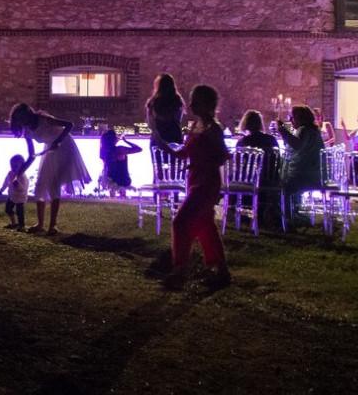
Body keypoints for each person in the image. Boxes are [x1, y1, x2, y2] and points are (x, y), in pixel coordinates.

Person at [159, 85, 232, 289]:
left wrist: (203, 161)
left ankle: (180, 270)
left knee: (181, 221)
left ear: (207, 104)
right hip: (194, 180)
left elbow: (223, 155)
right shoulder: (195, 126)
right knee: (205, 225)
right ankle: (222, 270)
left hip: (206, 182)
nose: (190, 104)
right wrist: (163, 145)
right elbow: (185, 152)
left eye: (195, 100)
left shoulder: (213, 129)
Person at [9, 103, 91, 235]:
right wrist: (18, 174)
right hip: (50, 150)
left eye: (22, 117)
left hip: (65, 147)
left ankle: (53, 225)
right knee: (40, 185)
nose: (21, 121)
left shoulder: (44, 119)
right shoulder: (28, 132)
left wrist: (57, 141)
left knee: (54, 185)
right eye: (19, 119)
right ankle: (40, 224)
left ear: (28, 114)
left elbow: (69, 125)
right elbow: (31, 156)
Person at [278, 105, 324, 227]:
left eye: (292, 117)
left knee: (282, 185)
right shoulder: (314, 131)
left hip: (305, 175)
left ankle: (286, 216)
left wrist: (283, 131)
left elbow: (296, 145)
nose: (291, 120)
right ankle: (294, 212)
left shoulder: (304, 130)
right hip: (314, 173)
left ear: (299, 118)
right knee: (287, 179)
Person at [237, 110, 282, 228]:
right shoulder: (271, 140)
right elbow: (278, 161)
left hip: (251, 180)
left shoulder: (243, 142)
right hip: (270, 179)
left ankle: (240, 212)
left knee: (233, 179)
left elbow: (239, 165)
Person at [0, 139, 36, 229]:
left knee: (20, 212)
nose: (13, 167)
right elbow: (6, 181)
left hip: (20, 197)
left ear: (22, 165)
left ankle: (21, 225)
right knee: (8, 209)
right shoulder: (10, 173)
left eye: (16, 166)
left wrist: (17, 184)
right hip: (11, 196)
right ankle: (13, 223)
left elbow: (23, 188)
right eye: (12, 165)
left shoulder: (22, 176)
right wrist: (2, 189)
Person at [99, 130, 142, 197]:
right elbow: (139, 149)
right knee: (122, 194)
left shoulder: (102, 151)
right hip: (122, 178)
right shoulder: (119, 149)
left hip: (108, 177)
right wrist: (126, 141)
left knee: (112, 193)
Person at [146, 74, 185, 146]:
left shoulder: (153, 102)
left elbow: (151, 123)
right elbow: (178, 119)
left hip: (158, 137)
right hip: (175, 136)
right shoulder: (177, 101)